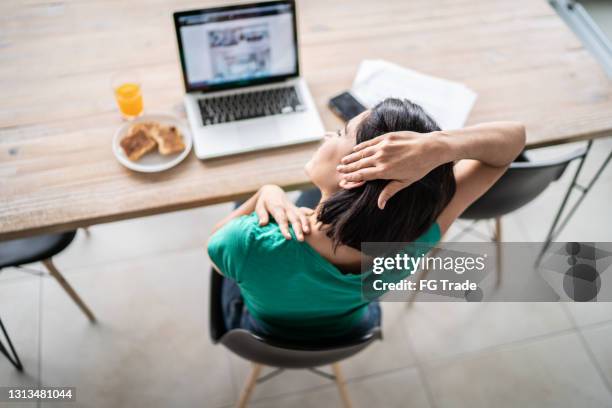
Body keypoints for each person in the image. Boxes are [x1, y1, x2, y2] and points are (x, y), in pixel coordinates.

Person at [207, 98, 525, 340]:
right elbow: (513, 141)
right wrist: (439, 147)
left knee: (250, 215)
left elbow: (215, 251)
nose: (327, 135)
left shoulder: (248, 241)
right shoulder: (421, 236)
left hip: (262, 331)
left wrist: (265, 191)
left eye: (340, 133)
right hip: (349, 328)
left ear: (355, 175)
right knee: (307, 201)